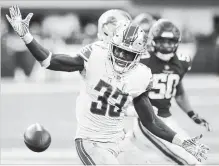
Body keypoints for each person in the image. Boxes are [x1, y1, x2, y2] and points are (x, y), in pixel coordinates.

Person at [6, 5, 209, 165]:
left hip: (120, 142)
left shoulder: (141, 75)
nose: (122, 56)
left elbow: (151, 122)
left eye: (128, 54)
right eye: (119, 50)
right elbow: (50, 61)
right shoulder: (95, 56)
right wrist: (26, 36)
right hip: (91, 141)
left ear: (138, 55)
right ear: (111, 45)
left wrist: (183, 143)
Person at [126, 18, 211, 165]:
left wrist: (192, 114)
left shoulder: (182, 62)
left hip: (168, 119)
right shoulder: (142, 60)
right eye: (162, 41)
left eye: (170, 42)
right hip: (149, 120)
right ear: (153, 41)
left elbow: (179, 92)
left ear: (177, 42)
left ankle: (128, 142)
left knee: (194, 155)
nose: (166, 46)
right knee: (189, 161)